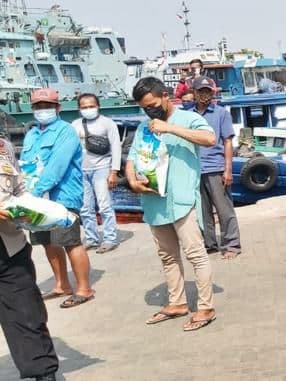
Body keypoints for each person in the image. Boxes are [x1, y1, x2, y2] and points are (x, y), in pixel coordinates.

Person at [126, 77, 218, 331]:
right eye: (144, 108)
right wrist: (132, 179)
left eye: (153, 105)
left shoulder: (187, 119)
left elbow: (210, 139)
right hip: (154, 201)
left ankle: (205, 306)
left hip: (181, 199)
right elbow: (133, 157)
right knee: (167, 256)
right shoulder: (145, 128)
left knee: (195, 254)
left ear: (166, 96)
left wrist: (170, 129)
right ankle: (176, 302)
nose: (150, 111)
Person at [23, 88, 93, 309]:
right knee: (46, 242)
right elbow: (24, 164)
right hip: (35, 197)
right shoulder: (31, 134)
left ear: (58, 108)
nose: (43, 110)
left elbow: (58, 166)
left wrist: (36, 191)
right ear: (33, 109)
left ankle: (84, 288)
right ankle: (62, 284)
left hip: (63, 195)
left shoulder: (66, 131)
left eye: (48, 106)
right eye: (38, 106)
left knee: (70, 241)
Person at [0, 135, 59, 381]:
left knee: (28, 315)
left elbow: (18, 188)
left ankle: (44, 374)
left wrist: (32, 211)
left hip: (10, 247)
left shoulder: (3, 147)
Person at [187, 77, 241, 259]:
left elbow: (227, 142)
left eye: (207, 91)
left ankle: (232, 244)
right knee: (202, 212)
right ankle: (209, 244)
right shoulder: (188, 115)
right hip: (195, 169)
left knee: (224, 209)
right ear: (194, 92)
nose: (204, 95)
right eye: (201, 91)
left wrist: (227, 169)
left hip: (215, 167)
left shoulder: (221, 113)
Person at [71, 93, 122, 254]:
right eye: (84, 107)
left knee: (105, 205)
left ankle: (110, 238)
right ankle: (91, 238)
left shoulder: (107, 123)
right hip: (81, 170)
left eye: (91, 106)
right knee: (85, 208)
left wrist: (114, 171)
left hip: (102, 168)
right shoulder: (75, 124)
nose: (88, 109)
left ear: (98, 106)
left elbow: (116, 147)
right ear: (79, 109)